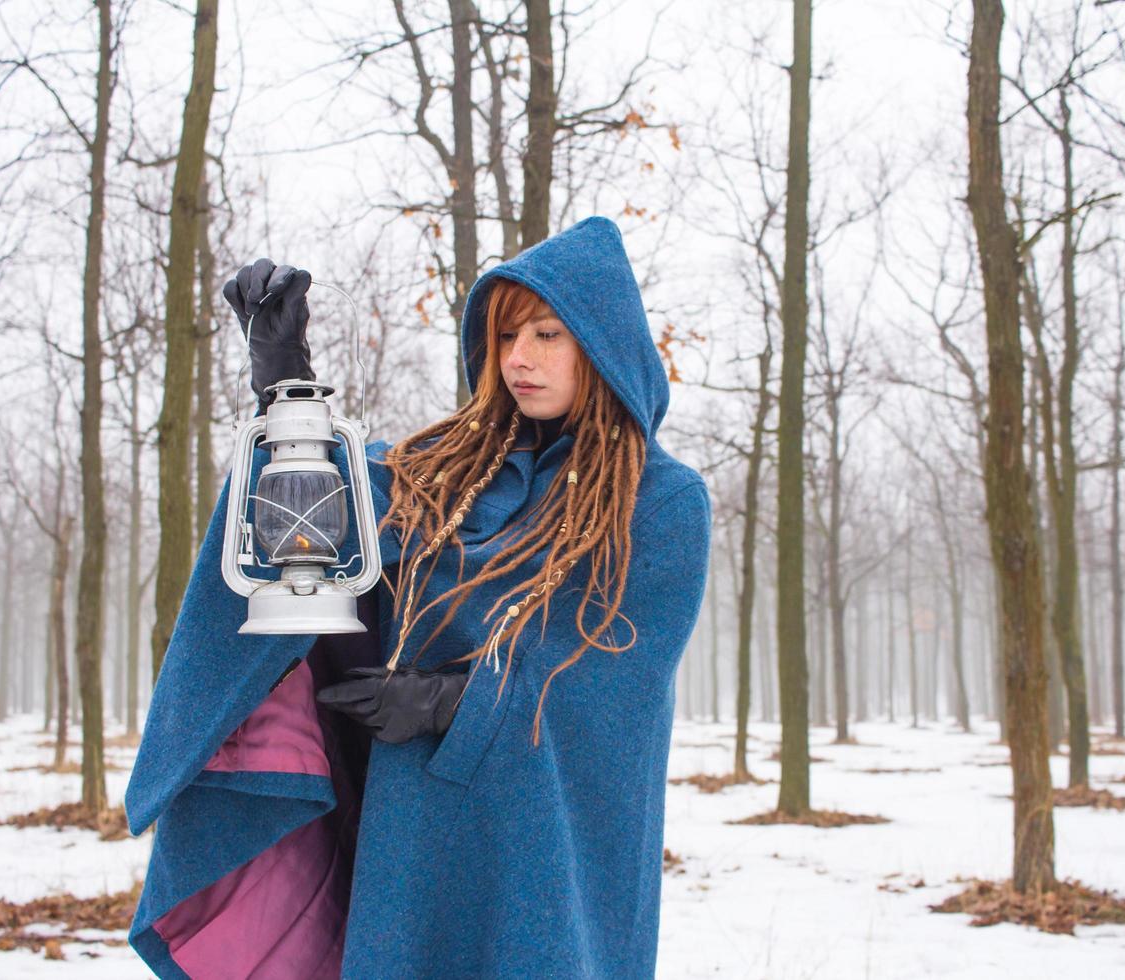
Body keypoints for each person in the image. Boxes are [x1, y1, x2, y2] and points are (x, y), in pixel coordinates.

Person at [124, 216, 711, 979]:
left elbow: (610, 686)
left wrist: (452, 703)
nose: (518, 359)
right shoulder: (446, 471)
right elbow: (319, 520)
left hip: (539, 854)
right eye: (504, 339)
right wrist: (286, 392)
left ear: (603, 342)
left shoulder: (658, 502)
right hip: (411, 830)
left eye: (546, 335)